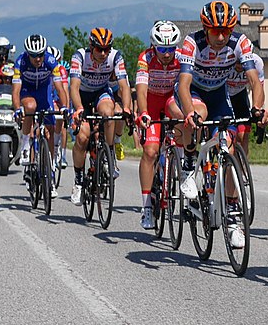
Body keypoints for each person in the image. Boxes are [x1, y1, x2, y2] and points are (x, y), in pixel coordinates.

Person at [169, 0, 268, 249]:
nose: (222, 36)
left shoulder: (240, 42)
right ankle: (190, 165)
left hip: (219, 94)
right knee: (199, 114)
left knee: (230, 149)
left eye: (226, 30)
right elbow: (182, 84)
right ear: (205, 28)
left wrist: (257, 109)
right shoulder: (193, 43)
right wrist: (189, 112)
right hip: (194, 92)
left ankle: (233, 217)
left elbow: (255, 82)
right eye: (215, 31)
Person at [69, 27, 132, 206]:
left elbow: (123, 85)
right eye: (99, 49)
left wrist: (127, 107)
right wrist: (79, 108)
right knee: (82, 137)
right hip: (81, 95)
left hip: (101, 93)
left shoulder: (115, 56)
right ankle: (79, 181)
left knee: (109, 114)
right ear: (91, 46)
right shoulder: (79, 56)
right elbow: (73, 86)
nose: (104, 53)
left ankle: (109, 154)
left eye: (107, 49)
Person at [135, 20, 182, 229]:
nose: (166, 53)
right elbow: (141, 89)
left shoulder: (181, 58)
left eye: (170, 48)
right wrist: (143, 113)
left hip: (171, 99)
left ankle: (180, 167)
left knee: (181, 117)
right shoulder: (145, 58)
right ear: (154, 46)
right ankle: (146, 206)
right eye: (162, 48)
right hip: (152, 103)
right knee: (150, 152)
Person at [12, 34, 69, 198]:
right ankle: (25, 145)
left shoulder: (51, 61)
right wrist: (17, 109)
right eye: (33, 55)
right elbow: (15, 91)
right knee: (30, 107)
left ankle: (50, 172)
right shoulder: (20, 62)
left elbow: (60, 88)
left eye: (40, 54)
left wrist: (64, 107)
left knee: (50, 129)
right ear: (27, 53)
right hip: (27, 92)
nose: (37, 59)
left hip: (44, 93)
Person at [226, 52, 265, 157]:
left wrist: (258, 110)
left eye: (242, 62)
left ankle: (241, 168)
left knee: (243, 135)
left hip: (240, 95)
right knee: (226, 135)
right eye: (237, 62)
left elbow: (259, 90)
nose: (239, 66)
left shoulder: (257, 63)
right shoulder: (225, 60)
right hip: (222, 94)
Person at [47, 46, 70, 169]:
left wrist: (65, 107)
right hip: (45, 96)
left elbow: (64, 91)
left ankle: (58, 150)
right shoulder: (41, 67)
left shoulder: (61, 70)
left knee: (60, 118)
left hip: (56, 96)